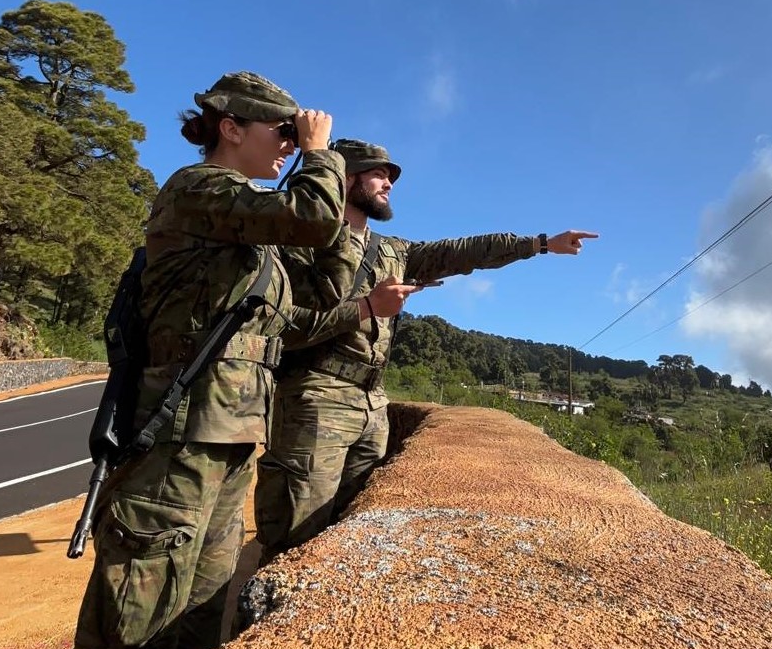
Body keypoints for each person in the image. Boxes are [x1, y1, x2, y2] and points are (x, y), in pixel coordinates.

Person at [24, 71, 355, 649]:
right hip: (176, 435)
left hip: (230, 439)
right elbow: (309, 217)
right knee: (132, 629)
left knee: (198, 623)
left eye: (295, 137)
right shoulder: (198, 190)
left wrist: (357, 298)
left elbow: (308, 296)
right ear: (230, 127)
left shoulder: (247, 233)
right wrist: (321, 155)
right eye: (281, 133)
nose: (289, 145)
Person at [254, 137, 598, 560]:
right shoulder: (301, 243)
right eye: (378, 174)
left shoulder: (393, 251)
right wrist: (367, 307)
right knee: (294, 538)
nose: (389, 184)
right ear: (345, 178)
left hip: (373, 406)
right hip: (314, 397)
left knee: (350, 538)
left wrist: (540, 243)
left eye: (390, 177)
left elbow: (463, 252)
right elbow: (283, 327)